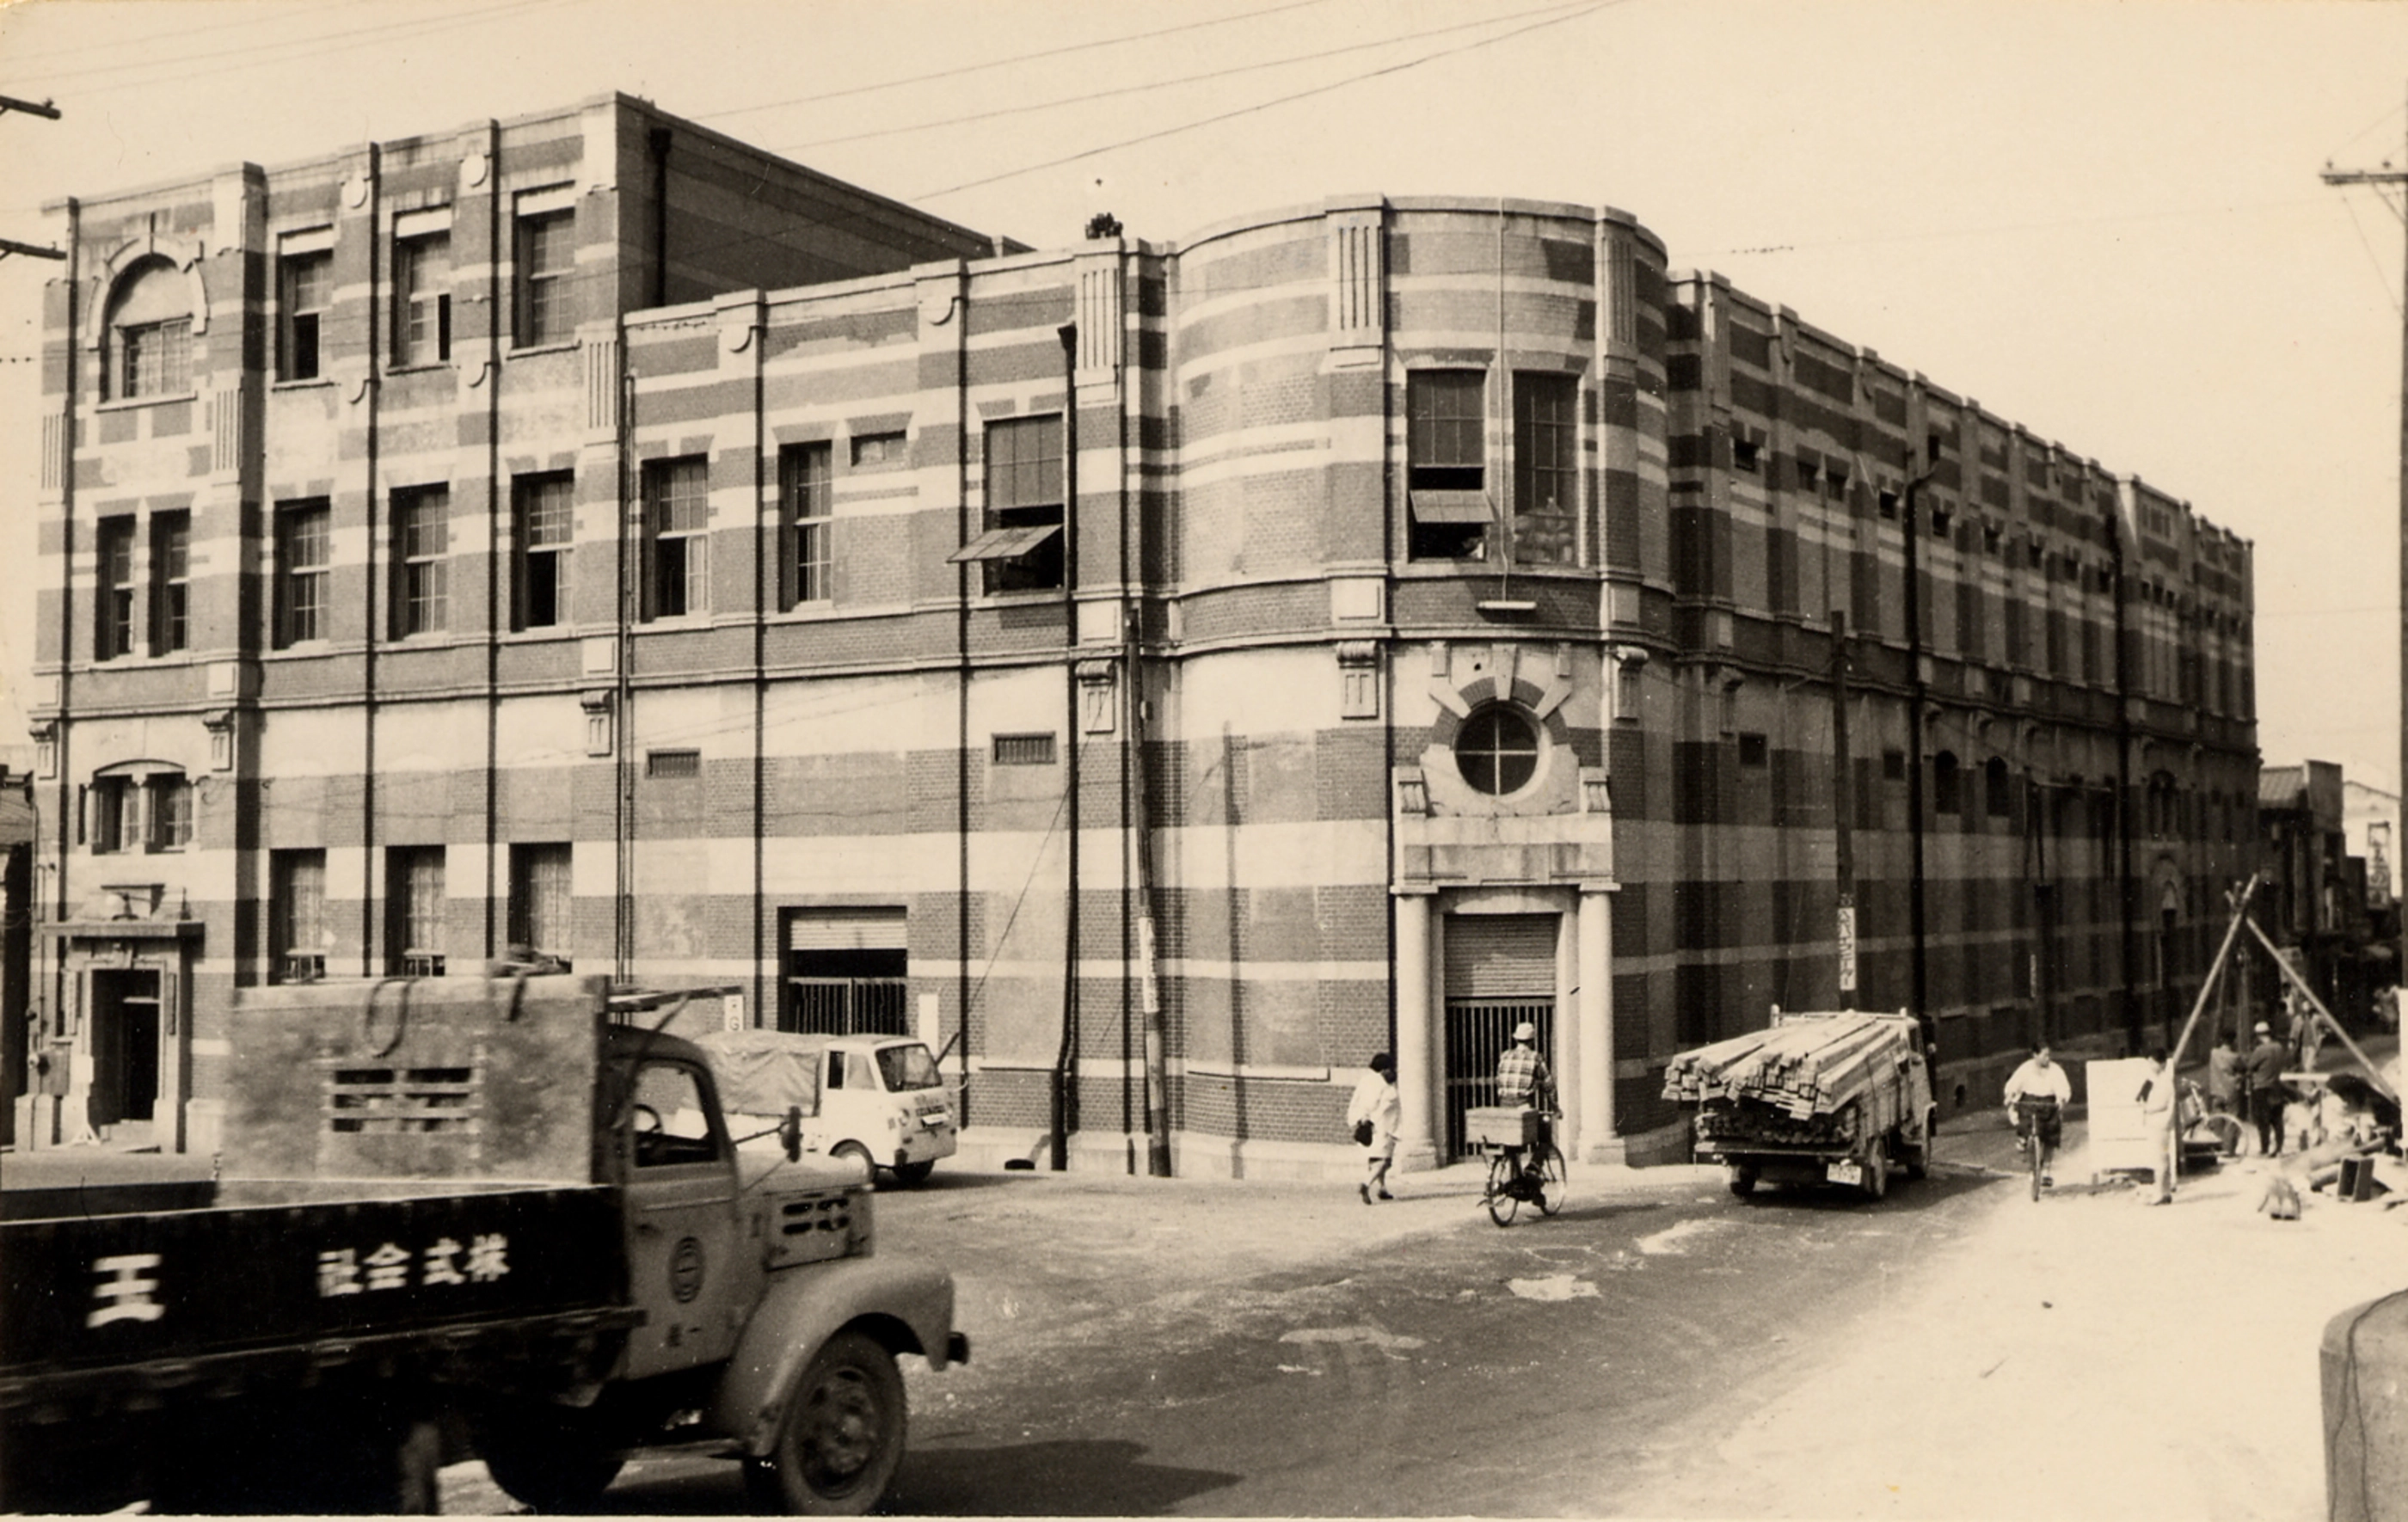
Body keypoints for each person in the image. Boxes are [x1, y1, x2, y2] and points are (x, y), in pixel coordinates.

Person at [2003, 1045, 2073, 1188]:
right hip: (2029, 1102)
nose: (2048, 1059)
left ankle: (2046, 1170)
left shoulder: (2055, 1070)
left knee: (2051, 1133)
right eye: (2044, 1055)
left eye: (2049, 1055)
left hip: (2048, 1103)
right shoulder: (2025, 1068)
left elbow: (2063, 1088)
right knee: (2026, 1126)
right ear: (2035, 1054)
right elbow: (2014, 1085)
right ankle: (2029, 1161)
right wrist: (2010, 1096)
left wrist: (2061, 1100)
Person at [1346, 1053, 1400, 1205]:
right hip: (1381, 1127)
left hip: (1374, 1126)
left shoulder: (1369, 1080)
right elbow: (1374, 1105)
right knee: (1384, 1161)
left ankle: (1383, 1188)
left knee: (1377, 1160)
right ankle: (1366, 1184)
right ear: (1383, 1069)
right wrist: (1368, 1118)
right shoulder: (1380, 1084)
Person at [2136, 1048, 2178, 1204]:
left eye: (2153, 1062)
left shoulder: (2164, 1081)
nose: (2150, 1065)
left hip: (2159, 1121)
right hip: (2157, 1122)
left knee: (2159, 1159)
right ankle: (2166, 1192)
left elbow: (2160, 1104)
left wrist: (2146, 1108)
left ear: (2162, 1064)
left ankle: (2159, 1193)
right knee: (2163, 1157)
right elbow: (2141, 1098)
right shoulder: (2154, 1080)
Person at [2245, 1020, 2289, 1157]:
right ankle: (2279, 1149)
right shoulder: (2279, 1047)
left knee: (2263, 1121)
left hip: (2261, 1088)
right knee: (2277, 1120)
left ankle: (2265, 1149)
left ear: (2258, 1035)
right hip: (2276, 1086)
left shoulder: (2260, 1050)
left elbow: (2250, 1066)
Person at [2206, 1034, 2241, 1117]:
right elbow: (2243, 1068)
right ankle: (2229, 1130)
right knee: (2232, 1117)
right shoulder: (2234, 1057)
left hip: (2216, 1091)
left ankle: (2218, 1130)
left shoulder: (2213, 1053)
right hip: (2230, 1091)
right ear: (2234, 1041)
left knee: (2217, 1116)